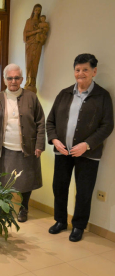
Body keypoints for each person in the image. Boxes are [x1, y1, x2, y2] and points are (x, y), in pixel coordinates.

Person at [46, 54, 114, 242]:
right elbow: (50, 121)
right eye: (77, 69)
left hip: (88, 154)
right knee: (59, 187)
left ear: (94, 71)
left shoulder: (102, 96)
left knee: (84, 191)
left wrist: (87, 144)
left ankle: (78, 226)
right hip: (62, 151)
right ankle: (60, 221)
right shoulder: (64, 94)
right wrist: (54, 140)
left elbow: (107, 125)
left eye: (85, 69)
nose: (80, 73)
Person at [0, 64, 45, 223]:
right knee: (2, 180)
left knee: (26, 180)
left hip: (26, 148)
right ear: (4, 80)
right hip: (4, 147)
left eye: (16, 78)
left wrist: (40, 144)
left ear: (21, 79)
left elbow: (41, 122)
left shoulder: (31, 97)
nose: (13, 81)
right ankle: (2, 207)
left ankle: (24, 208)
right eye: (10, 78)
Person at [23, 4, 44, 92]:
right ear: (33, 10)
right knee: (29, 63)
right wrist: (36, 31)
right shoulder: (29, 21)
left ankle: (33, 82)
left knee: (35, 63)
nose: (37, 12)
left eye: (39, 10)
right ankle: (28, 81)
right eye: (36, 10)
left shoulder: (41, 22)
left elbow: (43, 35)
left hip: (37, 45)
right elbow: (25, 35)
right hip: (30, 45)